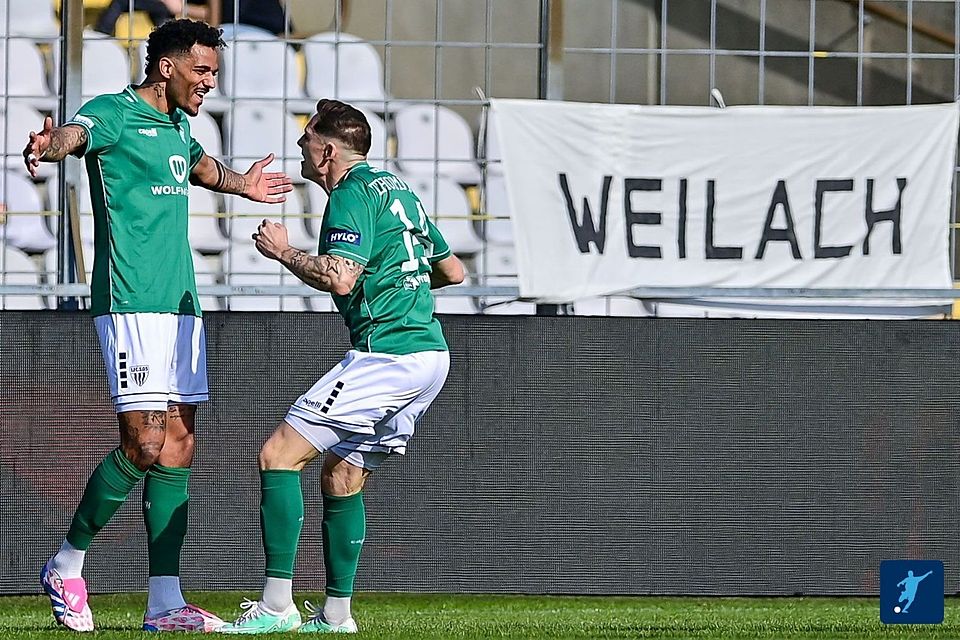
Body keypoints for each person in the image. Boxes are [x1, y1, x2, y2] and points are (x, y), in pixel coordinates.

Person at [22, 18, 293, 633]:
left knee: (178, 445)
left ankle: (165, 603)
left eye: (215, 73)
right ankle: (66, 563)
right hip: (132, 301)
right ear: (166, 66)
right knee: (143, 444)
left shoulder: (178, 124)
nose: (210, 83)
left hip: (181, 305)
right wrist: (48, 143)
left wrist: (244, 185)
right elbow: (74, 136)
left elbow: (198, 166)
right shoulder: (113, 113)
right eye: (202, 70)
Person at [216, 99, 465, 634]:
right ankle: (336, 616)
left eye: (307, 138)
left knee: (279, 455)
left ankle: (276, 607)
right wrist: (397, 282)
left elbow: (340, 276)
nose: (300, 146)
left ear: (327, 150)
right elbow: (452, 271)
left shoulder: (350, 194)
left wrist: (283, 252)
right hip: (431, 355)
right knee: (342, 474)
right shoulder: (399, 189)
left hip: (388, 353)